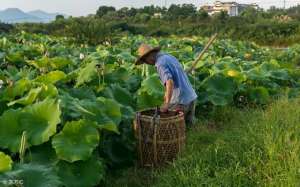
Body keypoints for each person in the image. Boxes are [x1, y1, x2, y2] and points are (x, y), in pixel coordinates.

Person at [135, 44, 198, 126]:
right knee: (188, 129)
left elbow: (169, 81)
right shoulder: (169, 57)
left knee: (170, 129)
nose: (147, 63)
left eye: (145, 61)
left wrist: (167, 103)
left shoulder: (160, 64)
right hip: (191, 97)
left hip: (180, 101)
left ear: (149, 56)